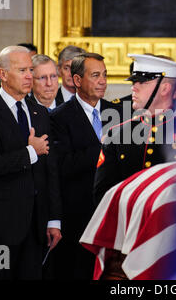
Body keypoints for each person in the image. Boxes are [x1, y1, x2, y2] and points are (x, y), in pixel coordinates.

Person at [0, 46, 62, 280]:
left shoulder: (39, 112)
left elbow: (49, 170)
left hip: (36, 226)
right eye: (22, 70)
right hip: (1, 226)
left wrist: (53, 219)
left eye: (31, 69)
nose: (30, 76)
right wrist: (31, 151)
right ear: (2, 74)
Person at [49, 53, 118, 279]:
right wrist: (104, 147)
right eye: (96, 75)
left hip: (112, 214)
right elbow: (62, 165)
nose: (103, 81)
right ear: (77, 81)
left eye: (105, 75)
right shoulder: (58, 117)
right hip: (77, 218)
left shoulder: (118, 114)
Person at [93, 54, 176, 205]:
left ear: (164, 88)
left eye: (142, 82)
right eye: (134, 81)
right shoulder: (117, 133)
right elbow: (103, 195)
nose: (133, 87)